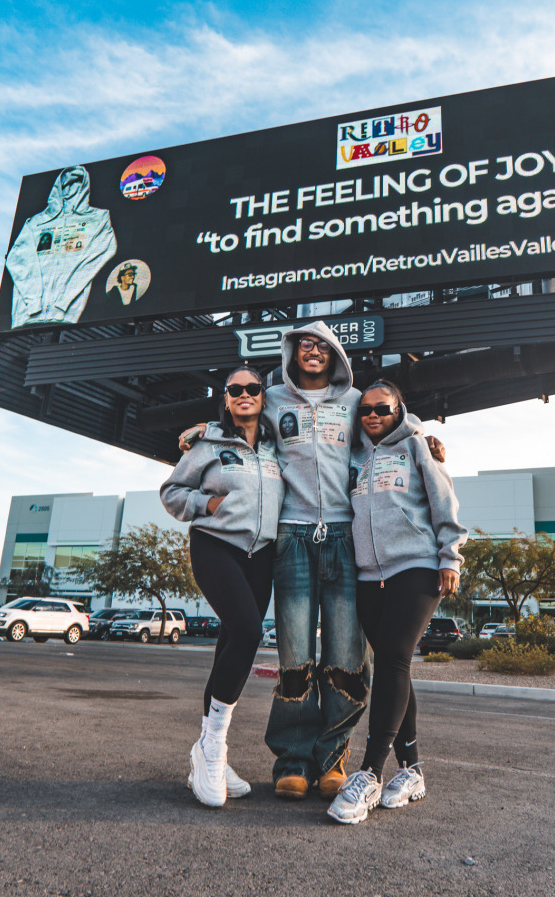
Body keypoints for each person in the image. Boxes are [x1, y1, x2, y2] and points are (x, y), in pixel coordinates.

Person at [179, 321, 446, 801]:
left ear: (336, 354)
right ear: (292, 353)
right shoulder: (273, 399)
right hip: (292, 538)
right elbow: (238, 419)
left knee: (346, 657)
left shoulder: (355, 400)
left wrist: (423, 435)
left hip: (345, 538)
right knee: (295, 656)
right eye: (304, 344)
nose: (313, 351)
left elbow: (390, 421)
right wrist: (202, 429)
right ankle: (293, 759)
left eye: (322, 345)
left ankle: (333, 757)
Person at [327, 379, 466, 825]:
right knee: (393, 666)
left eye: (382, 408)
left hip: (417, 566)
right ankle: (412, 771)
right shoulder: (353, 456)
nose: (372, 415)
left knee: (393, 660)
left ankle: (370, 773)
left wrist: (450, 558)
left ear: (398, 410)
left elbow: (444, 502)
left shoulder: (418, 446)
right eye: (365, 409)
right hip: (369, 576)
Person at [160, 367, 284, 808]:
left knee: (230, 643)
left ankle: (209, 750)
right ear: (227, 398)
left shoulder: (276, 448)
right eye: (236, 389)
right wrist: (207, 502)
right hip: (216, 546)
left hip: (261, 554)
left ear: (263, 397)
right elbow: (171, 491)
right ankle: (212, 748)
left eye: (253, 388)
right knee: (248, 633)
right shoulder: (208, 444)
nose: (245, 393)